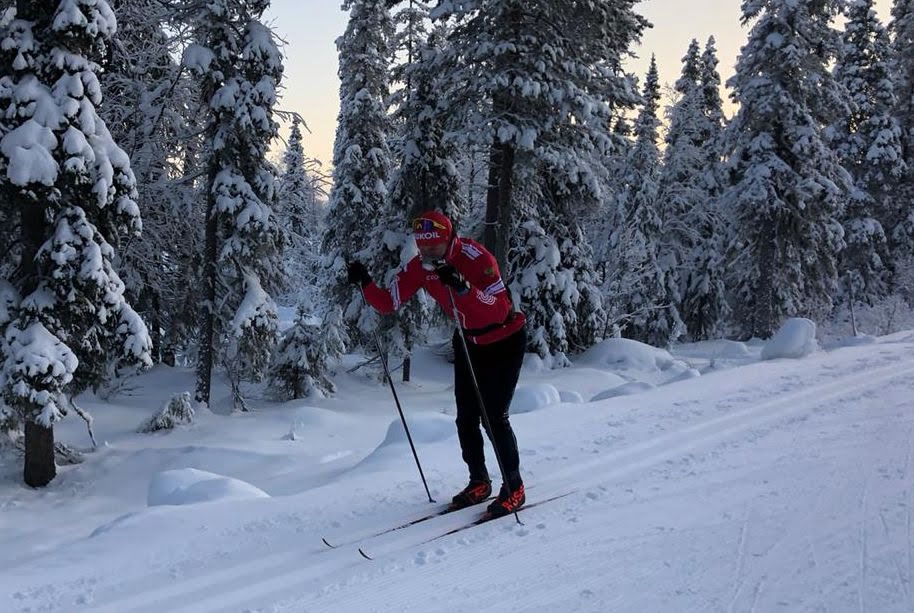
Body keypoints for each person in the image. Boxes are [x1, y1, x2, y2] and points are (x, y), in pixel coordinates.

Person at [346, 210, 527, 517]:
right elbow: (388, 302)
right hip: (469, 341)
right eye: (422, 244)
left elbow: (499, 310)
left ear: (449, 238)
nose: (428, 250)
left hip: (505, 339)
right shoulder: (420, 267)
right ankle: (478, 482)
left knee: (494, 417)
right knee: (466, 418)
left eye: (435, 244)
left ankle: (514, 487)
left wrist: (463, 288)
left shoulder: (476, 258)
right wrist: (365, 282)